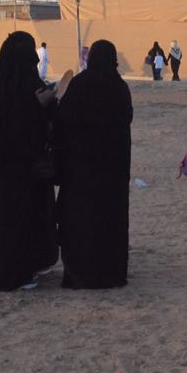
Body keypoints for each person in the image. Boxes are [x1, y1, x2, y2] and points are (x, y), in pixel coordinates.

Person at [0, 31, 59, 292]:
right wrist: (45, 104)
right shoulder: (27, 86)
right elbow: (29, 123)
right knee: (21, 219)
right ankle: (20, 273)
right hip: (22, 168)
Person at [54, 40, 132, 289]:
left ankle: (80, 274)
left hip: (81, 170)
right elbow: (126, 119)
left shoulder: (79, 85)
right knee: (110, 221)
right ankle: (110, 273)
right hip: (113, 172)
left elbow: (62, 120)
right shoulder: (120, 88)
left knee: (81, 220)